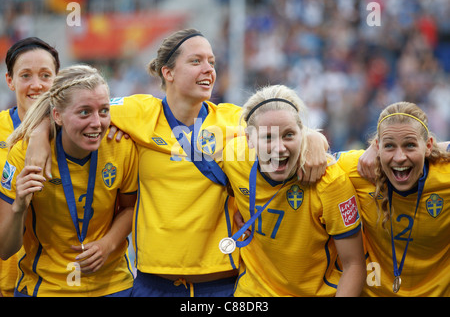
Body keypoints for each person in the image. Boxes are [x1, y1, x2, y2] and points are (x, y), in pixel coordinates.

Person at [23, 28, 327, 297]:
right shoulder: (137, 111)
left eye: (211, 62)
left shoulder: (235, 120)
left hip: (220, 283)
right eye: (196, 61)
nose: (208, 69)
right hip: (153, 283)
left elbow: (287, 132)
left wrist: (314, 139)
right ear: (168, 72)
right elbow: (66, 103)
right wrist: (39, 133)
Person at [0, 64, 138, 297]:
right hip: (45, 288)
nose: (96, 122)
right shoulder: (25, 155)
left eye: (103, 111)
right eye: (84, 112)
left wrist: (109, 243)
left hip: (113, 286)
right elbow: (5, 249)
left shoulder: (121, 146)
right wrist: (19, 207)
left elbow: (130, 207)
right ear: (57, 115)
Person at [225, 85, 366, 296]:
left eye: (289, 135)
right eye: (268, 137)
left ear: (304, 134)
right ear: (249, 139)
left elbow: (354, 265)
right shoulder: (232, 156)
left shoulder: (330, 181)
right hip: (252, 294)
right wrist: (238, 210)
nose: (279, 148)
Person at [335, 101, 450, 296]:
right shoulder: (359, 169)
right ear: (377, 146)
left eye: (410, 145)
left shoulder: (445, 174)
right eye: (389, 146)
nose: (399, 157)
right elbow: (309, 158)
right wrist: (313, 139)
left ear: (429, 145)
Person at [0, 37, 59, 297]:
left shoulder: (77, 132)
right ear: (10, 80)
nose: (37, 85)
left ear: (58, 80)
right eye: (25, 75)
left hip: (48, 285)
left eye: (46, 75)